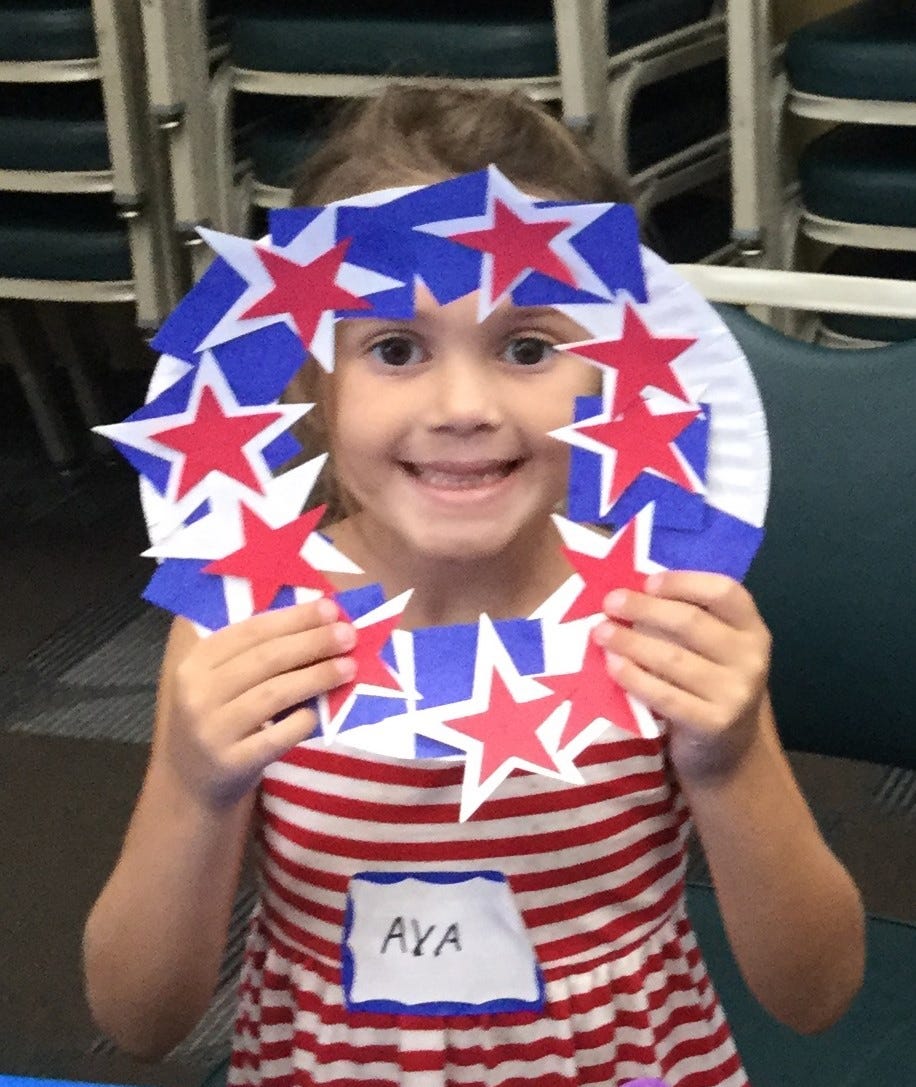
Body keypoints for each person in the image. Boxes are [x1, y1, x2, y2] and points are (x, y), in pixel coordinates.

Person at [83, 85, 865, 1087]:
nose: (464, 406)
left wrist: (731, 755)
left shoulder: (662, 619)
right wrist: (196, 785)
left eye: (528, 347)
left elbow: (818, 992)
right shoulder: (248, 630)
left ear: (609, 373)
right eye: (395, 348)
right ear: (316, 385)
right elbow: (138, 1018)